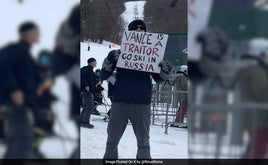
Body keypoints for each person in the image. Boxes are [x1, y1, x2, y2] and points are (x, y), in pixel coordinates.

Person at [101, 19, 172, 159]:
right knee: (112, 140)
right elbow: (104, 74)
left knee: (144, 142)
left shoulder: (152, 54)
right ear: (129, 32)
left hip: (142, 103)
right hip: (120, 101)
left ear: (146, 32)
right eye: (135, 28)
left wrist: (166, 70)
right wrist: (110, 59)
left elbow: (160, 79)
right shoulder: (118, 54)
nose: (139, 30)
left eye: (142, 28)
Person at [0, 21, 40, 158]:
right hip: (14, 104)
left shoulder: (25, 52)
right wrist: (14, 90)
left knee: (15, 142)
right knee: (23, 141)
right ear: (28, 34)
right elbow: (3, 68)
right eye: (36, 32)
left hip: (20, 104)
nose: (39, 35)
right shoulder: (16, 49)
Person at [80, 58, 98, 129]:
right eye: (95, 62)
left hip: (88, 91)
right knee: (89, 106)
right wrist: (85, 85)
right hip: (86, 91)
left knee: (86, 106)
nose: (96, 63)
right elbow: (81, 76)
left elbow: (92, 80)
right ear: (91, 62)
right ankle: (85, 122)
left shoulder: (90, 70)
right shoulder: (86, 69)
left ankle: (82, 121)